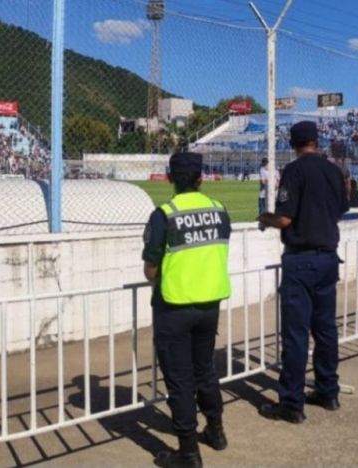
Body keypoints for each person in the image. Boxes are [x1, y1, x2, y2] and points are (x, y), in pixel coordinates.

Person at [142, 152, 232, 468]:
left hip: (174, 306)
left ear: (169, 178)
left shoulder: (164, 214)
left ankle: (188, 453)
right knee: (204, 369)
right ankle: (217, 432)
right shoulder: (220, 210)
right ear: (200, 178)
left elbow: (150, 269)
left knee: (179, 380)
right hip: (210, 305)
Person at [257, 121, 349, 423]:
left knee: (296, 335)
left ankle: (291, 404)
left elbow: (284, 219)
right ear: (316, 141)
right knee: (325, 330)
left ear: (293, 143)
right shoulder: (334, 170)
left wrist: (264, 218)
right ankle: (327, 390)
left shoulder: (295, 171)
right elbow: (340, 209)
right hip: (327, 258)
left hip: (301, 260)